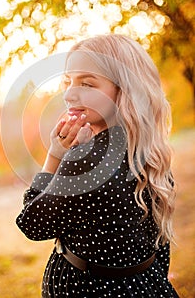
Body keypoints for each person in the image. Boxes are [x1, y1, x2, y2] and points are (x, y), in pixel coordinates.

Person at [16, 34, 179, 297]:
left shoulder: (87, 161)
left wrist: (55, 156)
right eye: (68, 81)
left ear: (123, 91)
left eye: (87, 84)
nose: (69, 93)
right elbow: (158, 245)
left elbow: (32, 225)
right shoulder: (151, 152)